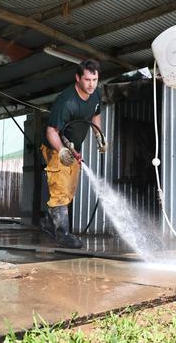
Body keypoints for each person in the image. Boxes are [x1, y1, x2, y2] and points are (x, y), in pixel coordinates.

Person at [41, 59, 107, 249]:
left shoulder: (95, 94)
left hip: (73, 148)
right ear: (78, 78)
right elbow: (51, 131)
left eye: (95, 79)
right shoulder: (66, 101)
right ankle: (63, 235)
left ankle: (48, 221)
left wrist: (99, 135)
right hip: (55, 147)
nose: (91, 84)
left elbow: (96, 114)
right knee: (60, 189)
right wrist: (61, 150)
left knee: (69, 190)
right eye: (87, 79)